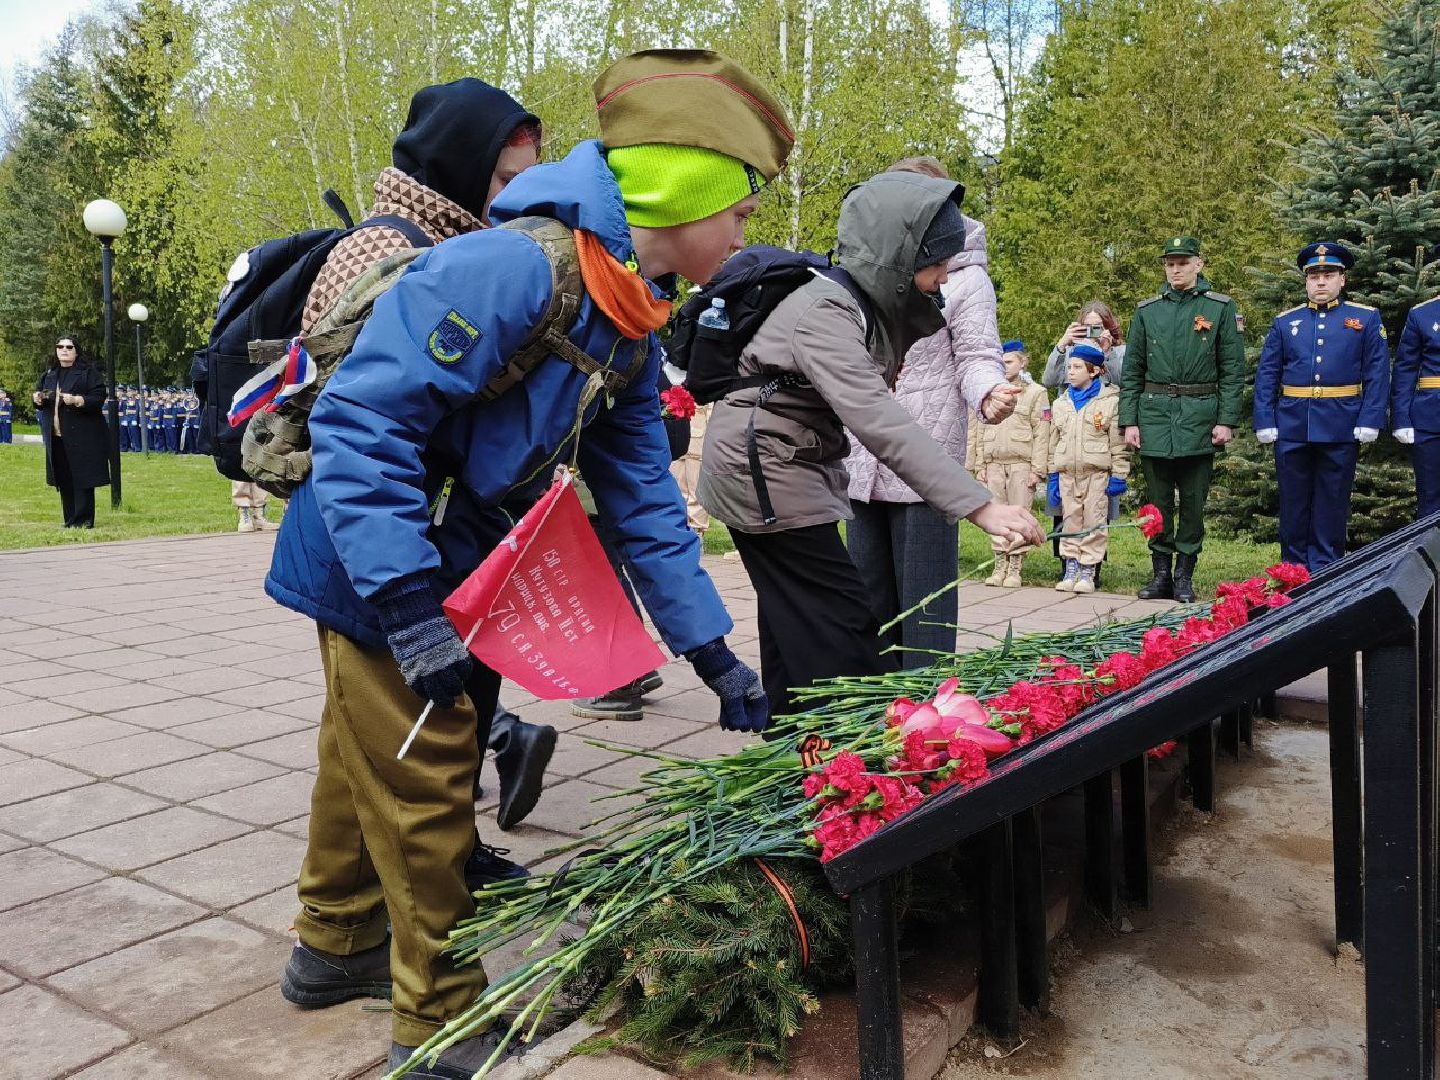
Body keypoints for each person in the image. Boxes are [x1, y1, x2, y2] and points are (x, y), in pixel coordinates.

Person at [265, 50, 787, 1076]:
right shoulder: (514, 269)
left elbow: (644, 499)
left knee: (365, 753)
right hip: (379, 558)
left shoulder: (628, 316)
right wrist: (408, 605)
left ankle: (334, 944)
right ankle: (441, 1016)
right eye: (737, 207)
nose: (743, 230)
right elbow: (362, 422)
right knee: (428, 775)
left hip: (448, 563)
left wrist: (711, 650)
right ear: (682, 194)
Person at [297, 77, 556, 841]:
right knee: (399, 729)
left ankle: (422, 866)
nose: (517, 196)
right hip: (382, 532)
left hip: (444, 524)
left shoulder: (477, 246)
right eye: (505, 178)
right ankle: (424, 875)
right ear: (458, 165)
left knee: (421, 719)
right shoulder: (383, 248)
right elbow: (363, 415)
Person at [699, 170, 1043, 719]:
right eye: (938, 264)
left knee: (798, 619)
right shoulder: (826, 311)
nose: (946, 276)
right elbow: (879, 418)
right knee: (842, 634)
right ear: (899, 258)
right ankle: (841, 749)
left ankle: (795, 742)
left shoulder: (854, 302)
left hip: (779, 466)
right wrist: (980, 506)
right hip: (766, 472)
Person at [843, 157, 1017, 668]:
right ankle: (871, 698)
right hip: (864, 455)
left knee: (925, 607)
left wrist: (989, 392)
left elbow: (977, 355)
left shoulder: (967, 280)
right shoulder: (871, 270)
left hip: (928, 460)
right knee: (867, 600)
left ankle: (926, 699)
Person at [1119, 236, 1245, 603]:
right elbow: (1132, 371)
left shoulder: (1220, 308)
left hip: (1200, 417)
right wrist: (1130, 421)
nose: (1175, 270)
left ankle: (1184, 576)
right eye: (1170, 264)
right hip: (1154, 416)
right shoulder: (1148, 311)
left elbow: (1232, 370)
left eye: (1182, 263)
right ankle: (1160, 574)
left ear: (1198, 264)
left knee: (1192, 502)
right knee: (1157, 503)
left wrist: (1226, 421)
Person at [1254, 242, 1388, 571]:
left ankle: (1326, 569)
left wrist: (1370, 417)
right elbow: (1268, 373)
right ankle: (1292, 570)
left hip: (1342, 424)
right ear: (1306, 281)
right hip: (1292, 424)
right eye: (1314, 276)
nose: (1321, 282)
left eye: (1328, 275)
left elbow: (1377, 372)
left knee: (1332, 501)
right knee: (1293, 502)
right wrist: (1265, 419)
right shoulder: (1286, 322)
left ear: (1343, 279)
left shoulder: (1365, 318)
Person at [967, 340, 1050, 587]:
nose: (1005, 366)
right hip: (993, 462)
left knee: (1019, 514)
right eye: (1001, 362)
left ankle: (1015, 566)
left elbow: (1042, 431)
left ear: (1023, 362)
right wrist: (978, 464)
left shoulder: (1035, 393)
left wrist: (1038, 468)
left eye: (1010, 361)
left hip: (1021, 463)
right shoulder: (990, 391)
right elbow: (977, 428)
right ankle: (999, 563)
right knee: (996, 514)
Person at [1047, 344, 1129, 593]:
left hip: (1096, 473)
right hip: (1067, 473)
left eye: (1077, 367)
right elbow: (1053, 442)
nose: (1070, 372)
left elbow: (1118, 443)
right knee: (1071, 521)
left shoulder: (1110, 402)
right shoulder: (1061, 403)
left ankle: (1088, 571)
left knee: (1094, 521)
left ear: (1093, 371)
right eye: (1069, 367)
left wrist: (1119, 474)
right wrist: (1052, 475)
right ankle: (1070, 567)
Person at [33, 337, 109, 528]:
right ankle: (70, 518)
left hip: (82, 436)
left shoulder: (87, 373)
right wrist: (37, 399)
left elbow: (99, 396)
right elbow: (42, 396)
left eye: (69, 347)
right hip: (57, 436)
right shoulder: (50, 374)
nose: (64, 350)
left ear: (76, 351)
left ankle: (84, 519)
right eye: (60, 346)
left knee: (82, 476)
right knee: (64, 477)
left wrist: (78, 400)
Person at [1392, 290, 1440, 520]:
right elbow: (1405, 368)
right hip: (1431, 418)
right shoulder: (1422, 314)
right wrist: (1401, 418)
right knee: (1430, 499)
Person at [1042, 300, 1126, 388]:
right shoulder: (1070, 352)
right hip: (1071, 397)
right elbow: (1049, 381)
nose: (1093, 331)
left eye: (1097, 326)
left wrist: (1106, 353)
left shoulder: (1121, 352)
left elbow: (1121, 385)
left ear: (1108, 326)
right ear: (1080, 327)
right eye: (1088, 326)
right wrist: (1061, 345)